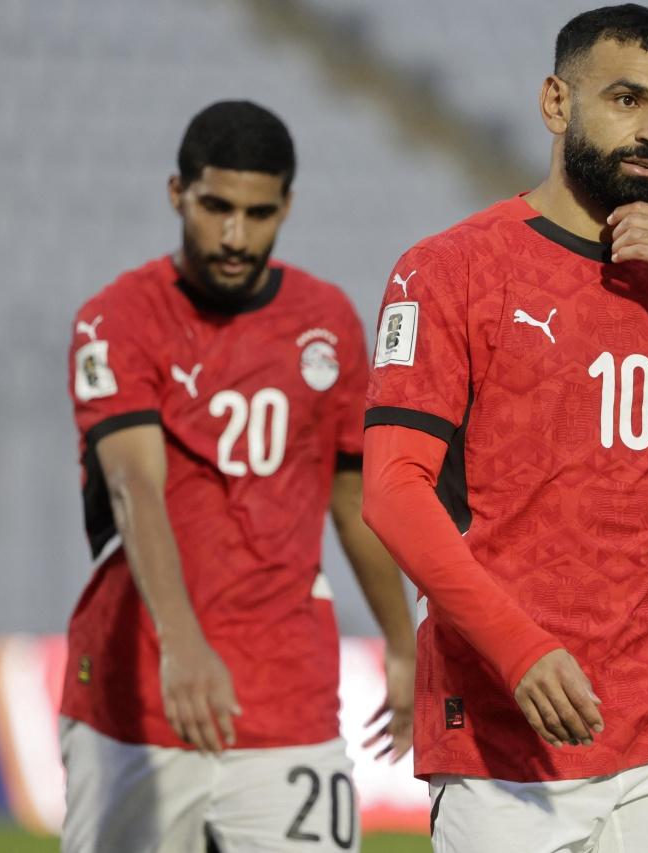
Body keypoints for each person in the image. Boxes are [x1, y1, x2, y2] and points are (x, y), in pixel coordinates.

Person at [360, 5, 648, 851]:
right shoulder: (450, 269)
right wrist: (518, 648)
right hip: (501, 735)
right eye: (628, 99)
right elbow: (391, 490)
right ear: (556, 103)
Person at [61, 100, 415, 853]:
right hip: (139, 696)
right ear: (177, 194)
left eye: (257, 214)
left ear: (286, 206)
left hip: (288, 698)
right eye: (215, 207)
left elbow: (353, 499)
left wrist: (403, 641)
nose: (234, 236)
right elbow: (133, 487)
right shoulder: (118, 320)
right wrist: (182, 644)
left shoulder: (327, 320)